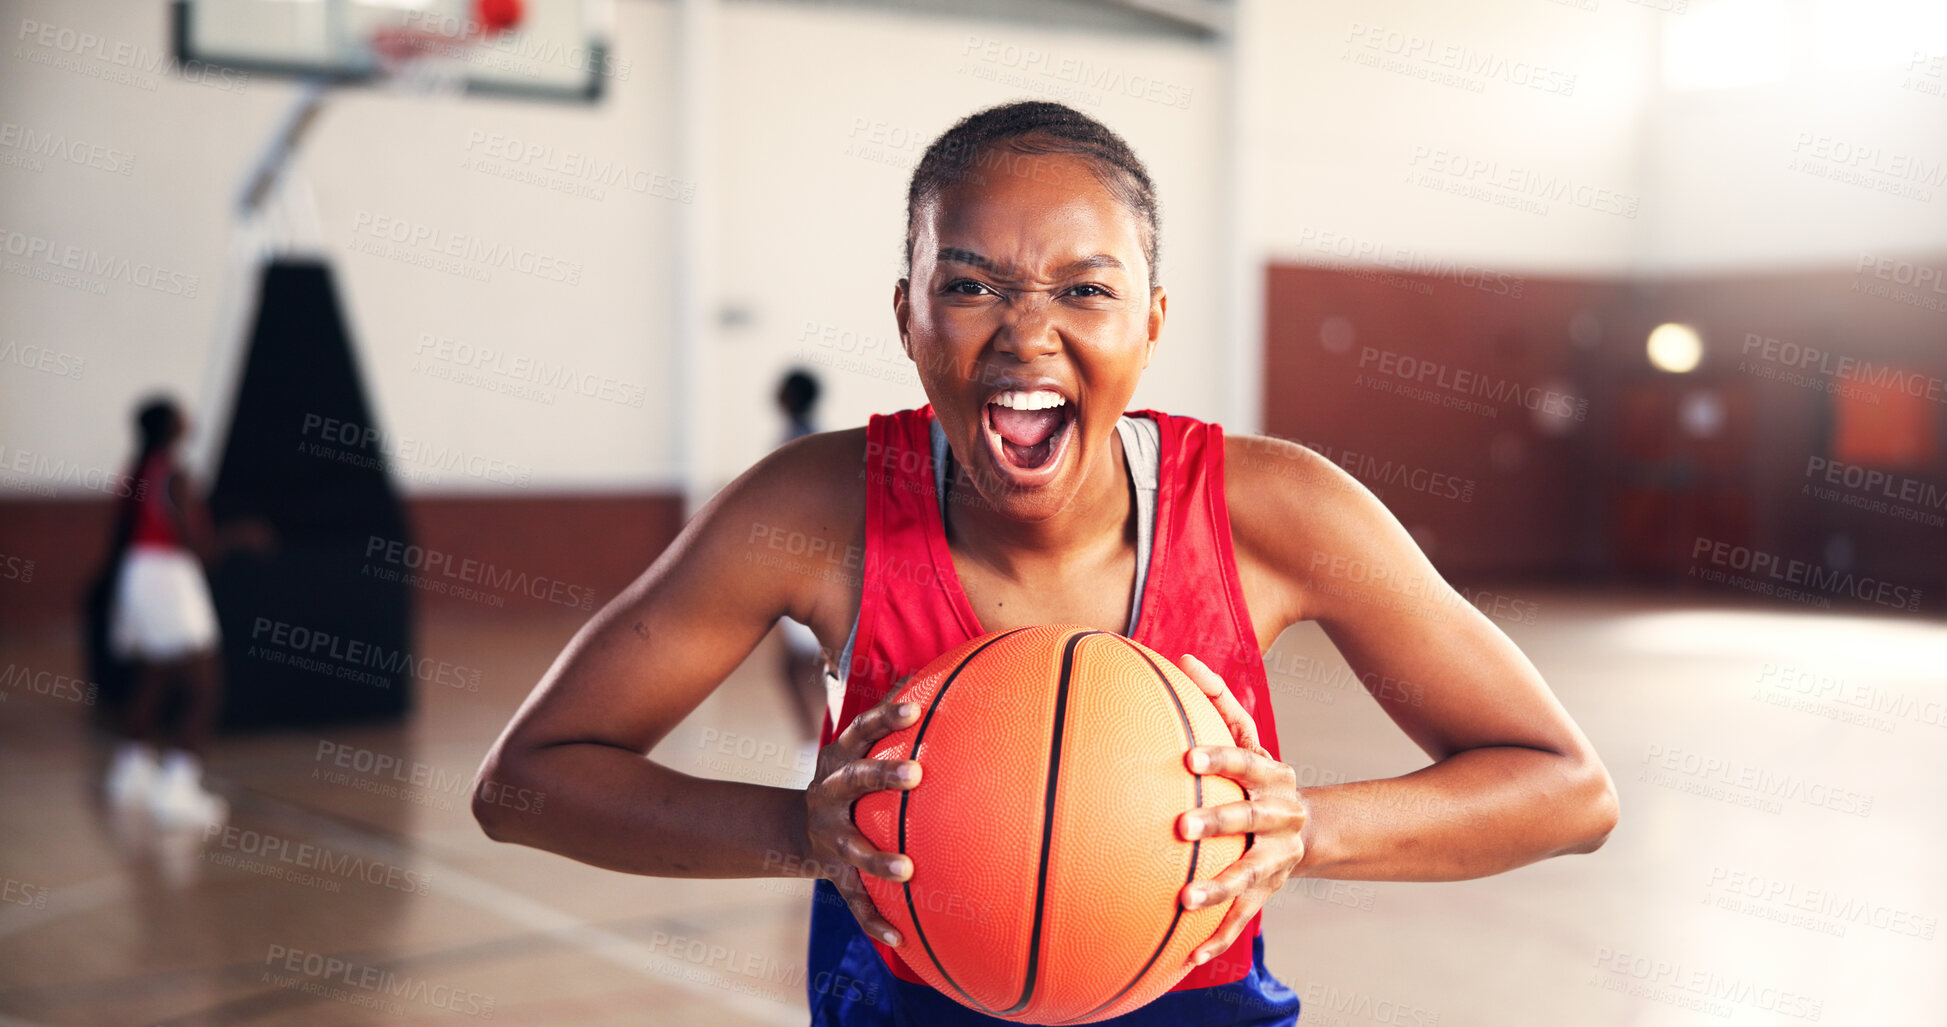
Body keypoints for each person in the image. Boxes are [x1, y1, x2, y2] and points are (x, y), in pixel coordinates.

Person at [472, 102, 1619, 1026]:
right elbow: (525, 783)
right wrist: (799, 831)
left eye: (1085, 288)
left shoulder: (1278, 509)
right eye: (970, 285)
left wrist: (1303, 827)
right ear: (908, 318)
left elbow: (1567, 791)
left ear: (1152, 320)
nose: (1027, 333)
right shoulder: (813, 509)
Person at [101, 397, 230, 829]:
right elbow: (197, 547)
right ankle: (177, 787)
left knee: (154, 674)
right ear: (172, 426)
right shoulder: (174, 475)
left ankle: (130, 770)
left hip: (137, 573)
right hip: (168, 577)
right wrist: (242, 538)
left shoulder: (137, 471)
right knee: (204, 685)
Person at [774, 368, 835, 740]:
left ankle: (813, 740)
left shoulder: (799, 444)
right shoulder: (807, 438)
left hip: (804, 567)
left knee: (801, 664)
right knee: (799, 664)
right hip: (805, 564)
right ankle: (813, 738)